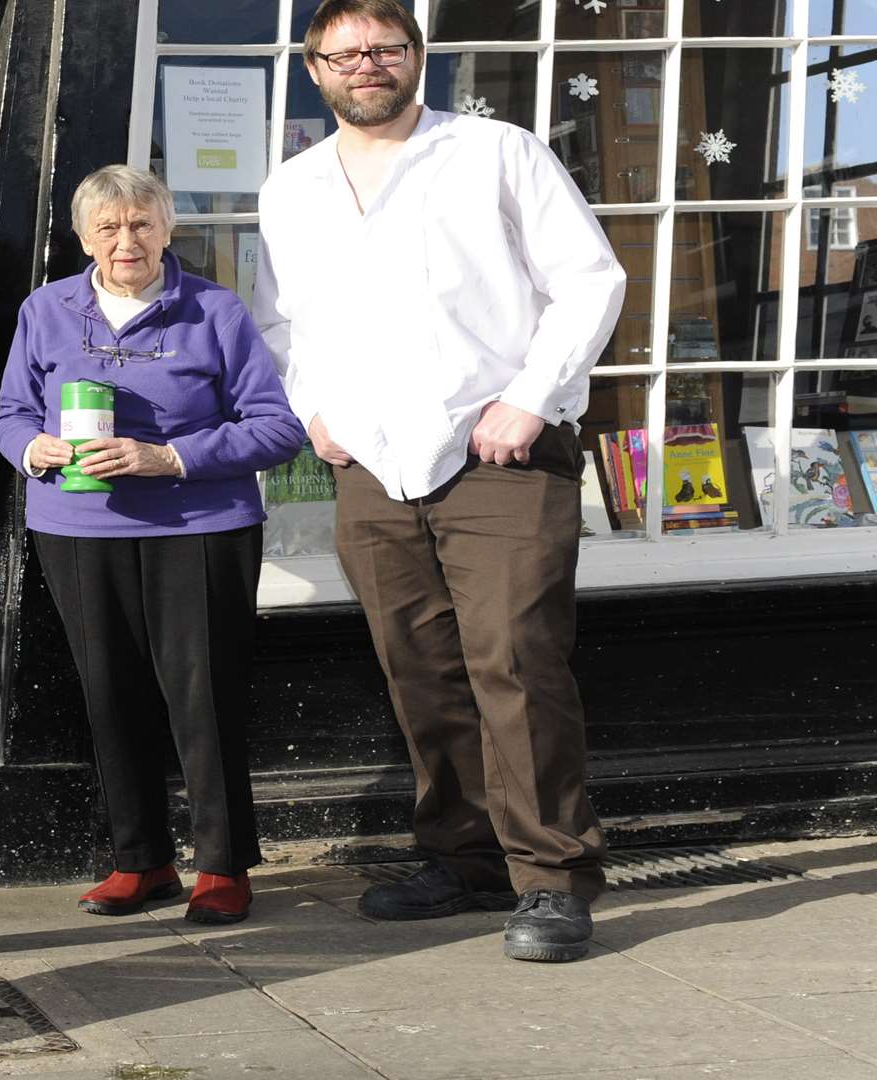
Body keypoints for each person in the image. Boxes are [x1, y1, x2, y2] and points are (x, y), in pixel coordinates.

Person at [252, 0, 627, 962]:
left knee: (515, 660)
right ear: (315, 70)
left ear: (418, 58)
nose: (365, 64)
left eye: (384, 48)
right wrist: (315, 410)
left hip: (497, 453)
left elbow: (589, 279)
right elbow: (287, 323)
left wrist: (531, 400)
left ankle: (551, 877)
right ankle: (463, 860)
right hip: (373, 464)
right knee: (418, 668)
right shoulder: (290, 189)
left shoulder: (497, 153)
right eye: (344, 53)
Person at [0, 165, 304, 924]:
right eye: (108, 226)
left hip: (199, 531)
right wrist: (39, 451)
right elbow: (10, 414)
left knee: (203, 697)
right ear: (83, 236)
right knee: (109, 695)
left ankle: (223, 866)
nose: (125, 240)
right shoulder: (46, 309)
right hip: (78, 529)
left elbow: (277, 428)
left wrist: (169, 457)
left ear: (168, 230)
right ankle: (141, 861)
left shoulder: (215, 311)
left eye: (141, 224)